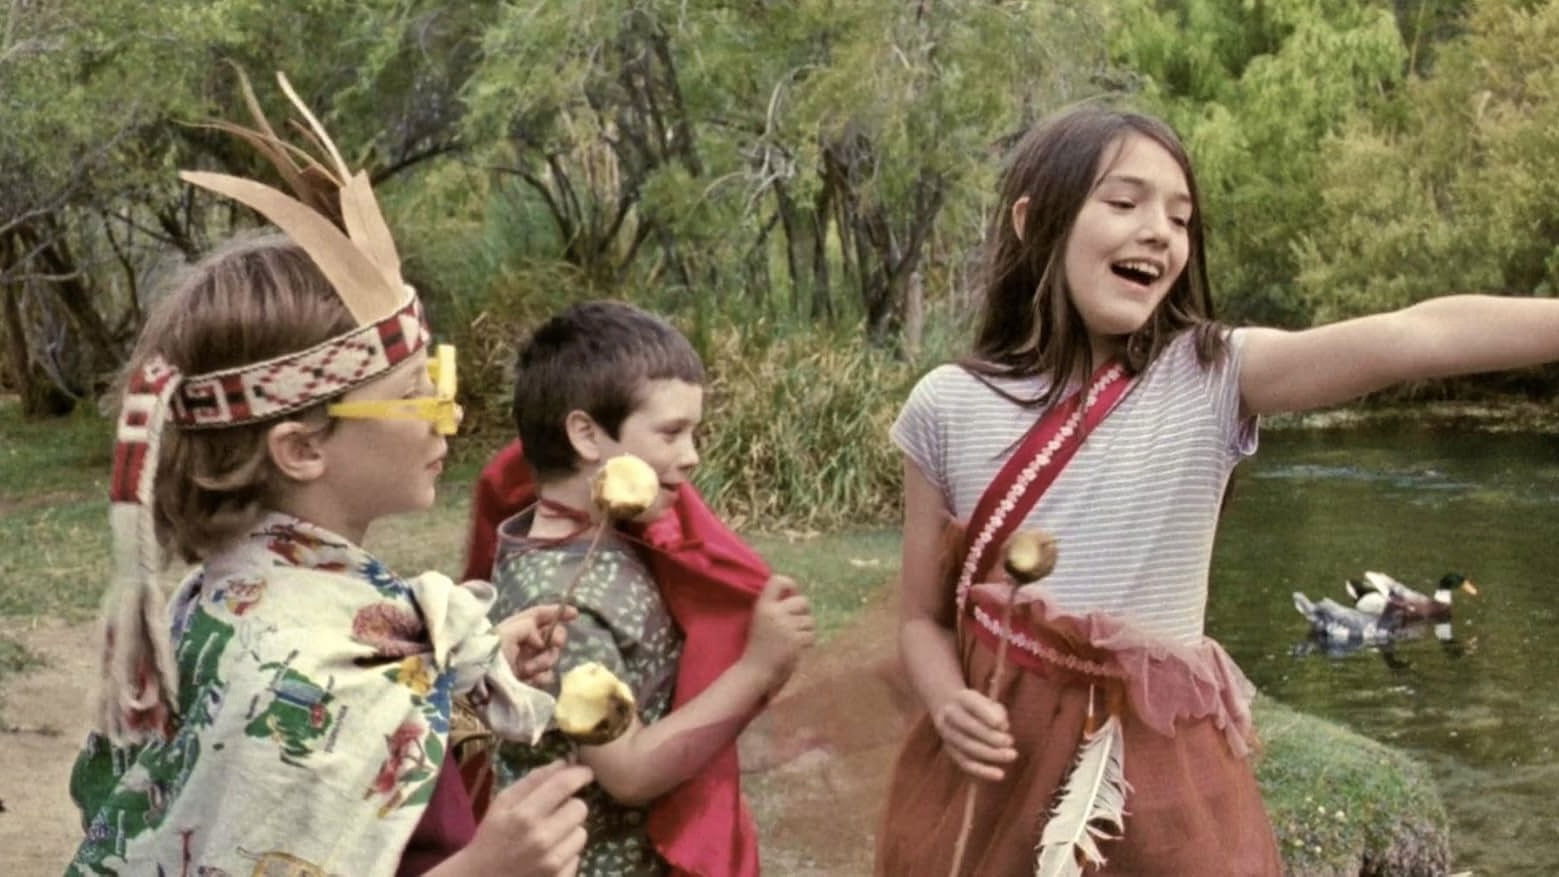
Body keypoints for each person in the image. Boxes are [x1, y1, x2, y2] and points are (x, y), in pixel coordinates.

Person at [876, 103, 1559, 875]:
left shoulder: (1212, 376)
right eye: (1124, 202)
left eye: (1180, 217)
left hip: (1164, 792)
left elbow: (1414, 334)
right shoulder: (945, 406)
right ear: (1033, 223)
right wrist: (947, 700)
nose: (1158, 232)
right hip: (996, 784)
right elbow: (923, 619)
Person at [67, 72, 589, 877]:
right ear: (301, 448)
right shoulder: (305, 664)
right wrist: (486, 868)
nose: (446, 413)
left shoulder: (242, 596)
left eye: (437, 378)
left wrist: (443, 683)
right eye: (414, 394)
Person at [484, 300, 815, 876]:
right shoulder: (560, 603)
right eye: (671, 433)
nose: (692, 456)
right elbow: (630, 772)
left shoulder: (610, 536)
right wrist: (757, 669)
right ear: (586, 434)